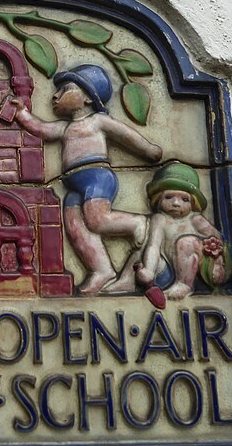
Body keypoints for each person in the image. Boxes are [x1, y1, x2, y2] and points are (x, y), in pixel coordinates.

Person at [11, 64, 163, 295]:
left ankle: (138, 223)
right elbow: (40, 129)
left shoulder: (98, 122)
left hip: (97, 178)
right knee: (75, 227)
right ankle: (101, 270)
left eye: (65, 89)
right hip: (73, 185)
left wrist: (149, 150)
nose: (55, 95)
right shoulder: (64, 128)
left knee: (96, 221)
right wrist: (22, 113)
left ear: (88, 99)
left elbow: (126, 136)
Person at [104, 161, 228, 300]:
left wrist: (217, 262)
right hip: (168, 270)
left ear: (193, 203)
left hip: (201, 272)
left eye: (184, 199)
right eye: (168, 197)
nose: (176, 203)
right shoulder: (159, 219)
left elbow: (217, 242)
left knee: (186, 242)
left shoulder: (196, 220)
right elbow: (154, 246)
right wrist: (149, 271)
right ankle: (127, 281)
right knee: (142, 249)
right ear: (158, 199)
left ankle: (184, 285)